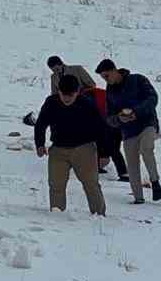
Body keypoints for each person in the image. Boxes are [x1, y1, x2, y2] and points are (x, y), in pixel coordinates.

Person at [33, 74, 108, 215]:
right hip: (58, 150)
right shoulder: (51, 102)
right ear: (59, 91)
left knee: (91, 184)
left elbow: (100, 128)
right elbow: (41, 124)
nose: (67, 98)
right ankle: (57, 214)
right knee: (56, 184)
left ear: (77, 92)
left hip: (84, 149)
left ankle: (99, 215)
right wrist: (40, 144)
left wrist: (104, 153)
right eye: (63, 94)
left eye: (70, 95)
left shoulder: (86, 103)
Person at [97, 58, 161, 204]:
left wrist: (136, 112)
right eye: (103, 78)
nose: (106, 80)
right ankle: (138, 198)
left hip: (147, 123)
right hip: (128, 130)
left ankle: (155, 181)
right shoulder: (110, 91)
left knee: (147, 149)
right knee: (132, 163)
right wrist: (119, 119)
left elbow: (153, 98)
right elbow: (109, 117)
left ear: (114, 71)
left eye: (106, 76)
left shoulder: (138, 79)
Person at [23, 56, 95, 126]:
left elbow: (92, 84)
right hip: (65, 100)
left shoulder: (77, 69)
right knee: (51, 101)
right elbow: (54, 93)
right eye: (53, 70)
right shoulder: (53, 77)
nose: (56, 72)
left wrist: (78, 93)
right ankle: (38, 119)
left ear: (61, 64)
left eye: (57, 69)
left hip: (82, 97)